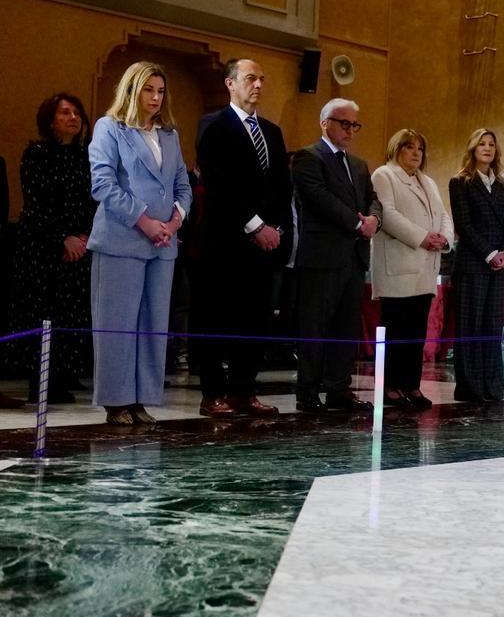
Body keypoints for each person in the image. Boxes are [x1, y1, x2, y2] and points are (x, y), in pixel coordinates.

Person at [88, 61, 192, 425]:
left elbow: (183, 184)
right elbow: (102, 185)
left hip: (164, 243)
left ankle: (141, 398)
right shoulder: (110, 128)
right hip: (122, 239)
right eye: (149, 90)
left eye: (161, 91)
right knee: (116, 323)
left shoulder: (169, 134)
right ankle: (116, 402)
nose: (156, 98)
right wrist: (145, 221)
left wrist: (175, 220)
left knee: (153, 325)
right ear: (131, 91)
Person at [194, 58, 293, 418]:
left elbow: (283, 187)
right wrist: (255, 225)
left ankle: (243, 391)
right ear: (230, 84)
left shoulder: (272, 131)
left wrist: (277, 229)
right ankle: (212, 394)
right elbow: (219, 185)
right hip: (226, 242)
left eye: (261, 79)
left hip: (264, 247)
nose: (258, 85)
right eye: (251, 78)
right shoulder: (214, 125)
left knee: (255, 319)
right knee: (217, 318)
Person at [291, 98, 381, 413]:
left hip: (353, 258)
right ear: (325, 122)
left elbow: (373, 199)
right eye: (344, 123)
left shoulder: (358, 165)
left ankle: (338, 389)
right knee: (315, 326)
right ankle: (308, 393)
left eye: (355, 124)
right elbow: (319, 199)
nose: (350, 130)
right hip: (322, 257)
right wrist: (359, 223)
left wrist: (374, 220)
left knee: (345, 327)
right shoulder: (307, 157)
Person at [8, 94, 97, 406]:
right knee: (42, 311)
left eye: (77, 113)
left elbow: (93, 200)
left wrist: (85, 236)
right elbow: (37, 201)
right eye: (65, 113)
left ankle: (62, 375)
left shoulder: (87, 156)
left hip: (81, 245)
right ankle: (40, 382)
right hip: (44, 247)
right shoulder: (37, 154)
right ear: (50, 120)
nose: (73, 118)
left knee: (71, 311)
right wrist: (63, 238)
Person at [371, 128, 452, 410]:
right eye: (409, 147)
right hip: (398, 265)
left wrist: (444, 238)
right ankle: (391, 386)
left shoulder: (427, 181)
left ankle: (411, 385)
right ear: (397, 149)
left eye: (419, 148)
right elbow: (389, 216)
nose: (416, 153)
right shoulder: (384, 175)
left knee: (416, 332)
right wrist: (423, 237)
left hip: (426, 267)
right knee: (397, 330)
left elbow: (443, 215)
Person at [447, 128, 504, 402]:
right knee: (470, 327)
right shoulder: (460, 182)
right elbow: (464, 224)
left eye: (491, 144)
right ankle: (470, 388)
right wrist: (489, 254)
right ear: (472, 148)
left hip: (498, 268)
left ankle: (491, 386)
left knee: (491, 327)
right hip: (472, 265)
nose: (487, 148)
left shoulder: (501, 185)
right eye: (482, 144)